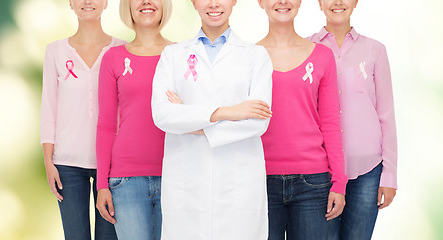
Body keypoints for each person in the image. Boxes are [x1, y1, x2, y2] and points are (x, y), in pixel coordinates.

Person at [151, 0, 273, 239]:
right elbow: (163, 114)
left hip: (238, 184)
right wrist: (227, 112)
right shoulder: (173, 55)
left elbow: (258, 120)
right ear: (194, 3)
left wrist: (188, 120)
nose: (214, 4)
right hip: (188, 183)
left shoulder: (256, 56)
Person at [257, 0, 348, 239]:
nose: (282, 2)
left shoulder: (322, 56)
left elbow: (330, 123)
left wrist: (339, 181)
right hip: (259, 179)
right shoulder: (249, 58)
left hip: (313, 183)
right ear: (260, 2)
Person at [307, 0, 398, 239]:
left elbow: (386, 114)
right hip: (320, 172)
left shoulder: (375, 50)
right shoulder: (305, 49)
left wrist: (389, 176)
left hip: (367, 171)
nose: (337, 2)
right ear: (319, 3)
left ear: (356, 2)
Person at [40, 0, 125, 239]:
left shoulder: (122, 50)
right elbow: (49, 107)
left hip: (112, 163)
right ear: (70, 3)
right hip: (67, 164)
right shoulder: (55, 51)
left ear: (106, 3)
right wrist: (48, 161)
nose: (88, 2)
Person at [94, 0, 172, 239]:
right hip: (125, 180)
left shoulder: (181, 54)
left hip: (175, 175)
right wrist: (101, 185)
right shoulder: (113, 58)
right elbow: (106, 124)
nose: (146, 2)